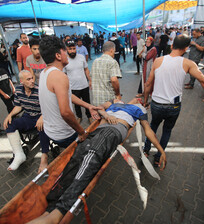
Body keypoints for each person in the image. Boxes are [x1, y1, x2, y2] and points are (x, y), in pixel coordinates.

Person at [27, 97, 167, 224]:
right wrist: (106, 113)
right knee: (74, 162)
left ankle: (59, 212)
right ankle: (50, 207)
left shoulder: (139, 110)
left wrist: (161, 151)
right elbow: (98, 108)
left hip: (111, 132)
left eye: (142, 100)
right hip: (97, 132)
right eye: (138, 97)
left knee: (89, 162)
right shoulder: (115, 102)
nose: (139, 99)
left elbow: (149, 132)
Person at [143, 34, 204, 166]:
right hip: (173, 107)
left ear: (172, 45)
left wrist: (146, 101)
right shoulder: (188, 63)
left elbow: (148, 84)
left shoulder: (158, 61)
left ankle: (146, 151)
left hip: (157, 104)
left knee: (152, 126)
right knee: (167, 131)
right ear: (186, 48)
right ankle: (158, 157)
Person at [38, 36, 100, 150]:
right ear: (58, 56)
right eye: (64, 51)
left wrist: (88, 105)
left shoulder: (44, 73)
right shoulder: (59, 76)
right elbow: (66, 112)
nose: (67, 54)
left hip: (51, 131)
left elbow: (67, 95)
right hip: (64, 134)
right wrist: (81, 132)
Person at [3, 70, 50, 171]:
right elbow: (18, 106)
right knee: (10, 123)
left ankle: (44, 156)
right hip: (28, 117)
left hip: (40, 116)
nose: (32, 81)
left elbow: (48, 106)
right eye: (28, 79)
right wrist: (9, 115)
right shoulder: (19, 90)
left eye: (32, 78)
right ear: (22, 81)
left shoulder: (39, 90)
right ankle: (19, 154)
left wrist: (42, 116)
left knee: (42, 126)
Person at [64, 39, 92, 124]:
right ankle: (79, 117)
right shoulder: (64, 60)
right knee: (76, 104)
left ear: (76, 48)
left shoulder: (81, 57)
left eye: (73, 48)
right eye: (70, 49)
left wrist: (90, 80)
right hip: (73, 87)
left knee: (87, 102)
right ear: (66, 49)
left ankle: (89, 116)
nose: (72, 51)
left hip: (84, 85)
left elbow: (86, 69)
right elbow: (64, 75)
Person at [91, 41, 122, 106]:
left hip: (96, 101)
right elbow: (114, 80)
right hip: (108, 101)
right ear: (111, 50)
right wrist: (118, 94)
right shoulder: (112, 62)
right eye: (114, 51)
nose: (114, 53)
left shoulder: (95, 61)